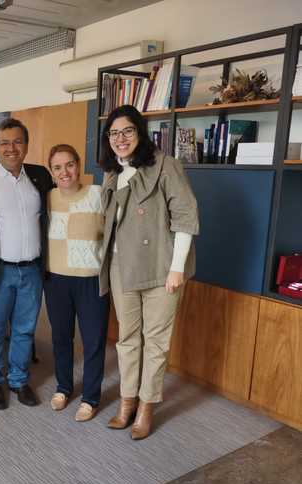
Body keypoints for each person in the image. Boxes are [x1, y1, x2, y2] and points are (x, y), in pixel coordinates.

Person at [99, 105, 199, 440]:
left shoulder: (166, 165)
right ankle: (127, 400)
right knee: (127, 339)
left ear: (140, 133)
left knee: (155, 342)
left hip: (160, 268)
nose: (120, 138)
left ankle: (146, 406)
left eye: (127, 131)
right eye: (114, 133)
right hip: (121, 267)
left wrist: (177, 269)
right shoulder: (112, 172)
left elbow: (185, 217)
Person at [0, 118, 53, 409]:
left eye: (17, 141)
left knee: (25, 329)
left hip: (32, 270)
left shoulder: (40, 176)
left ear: (26, 145)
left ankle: (18, 379)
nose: (11, 148)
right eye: (4, 143)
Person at [44, 144, 110, 421]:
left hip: (90, 280)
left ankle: (90, 398)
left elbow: (112, 234)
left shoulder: (98, 194)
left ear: (78, 165)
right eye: (57, 167)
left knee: (94, 340)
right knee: (61, 338)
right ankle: (63, 387)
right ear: (51, 172)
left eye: (69, 164)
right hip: (56, 280)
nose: (65, 172)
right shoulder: (47, 197)